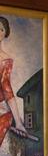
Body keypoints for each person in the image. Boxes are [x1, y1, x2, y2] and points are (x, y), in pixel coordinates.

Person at [0, 16, 28, 146]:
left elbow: (7, 90)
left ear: (5, 34)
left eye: (1, 29)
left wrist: (18, 122)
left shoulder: (5, 60)